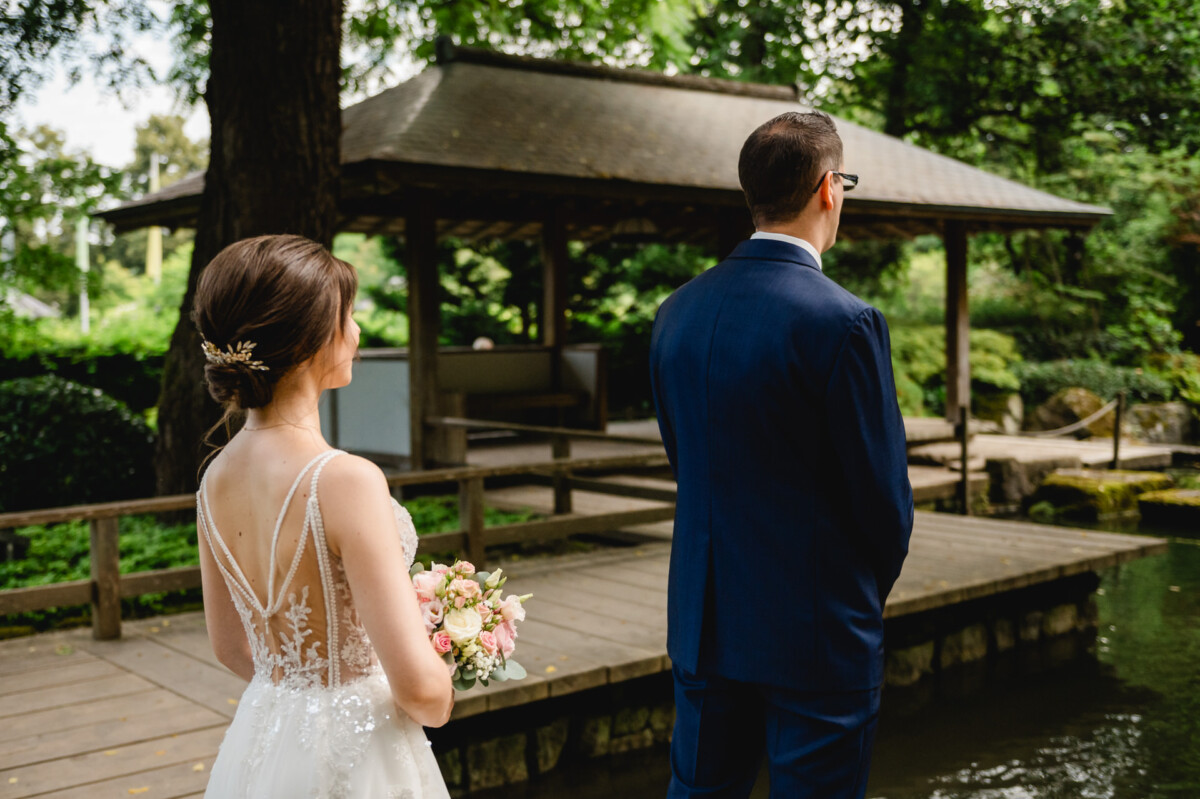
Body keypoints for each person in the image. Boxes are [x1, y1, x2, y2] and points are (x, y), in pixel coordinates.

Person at [649, 111, 914, 798]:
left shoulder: (676, 311)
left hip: (706, 618)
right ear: (829, 187)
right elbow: (883, 503)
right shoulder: (845, 320)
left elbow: (687, 460)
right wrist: (855, 601)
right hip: (817, 630)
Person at [193, 235, 453, 798]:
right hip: (358, 755)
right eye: (347, 316)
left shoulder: (214, 479)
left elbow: (232, 648)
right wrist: (451, 661)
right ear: (310, 340)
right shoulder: (345, 480)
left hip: (264, 736)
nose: (356, 333)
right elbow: (422, 693)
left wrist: (299, 702)